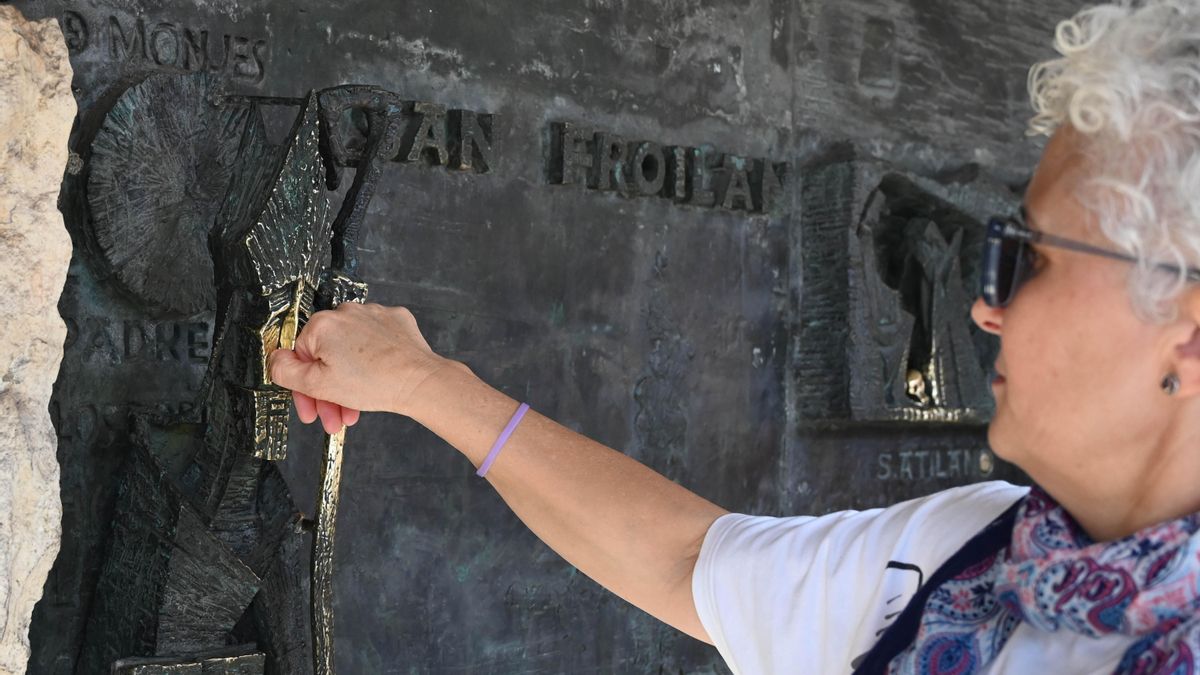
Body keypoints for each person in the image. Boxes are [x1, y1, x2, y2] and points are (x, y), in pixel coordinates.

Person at [268, 1, 1200, 672]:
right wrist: (429, 384)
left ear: (1188, 335)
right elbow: (688, 563)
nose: (983, 307)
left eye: (1027, 258)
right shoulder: (973, 552)